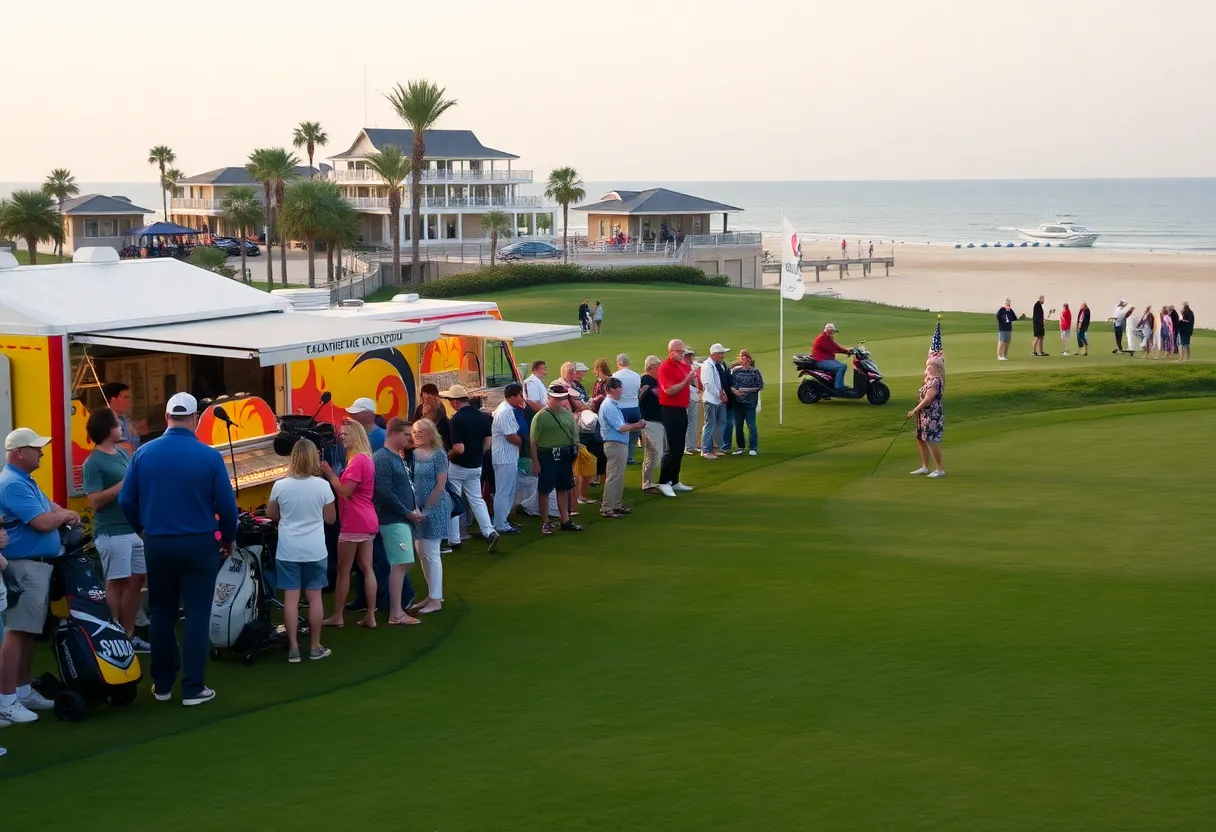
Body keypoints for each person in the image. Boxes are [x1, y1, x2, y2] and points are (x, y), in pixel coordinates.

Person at [119, 393, 237, 707]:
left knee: (161, 612)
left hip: (158, 543)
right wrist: (228, 537)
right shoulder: (209, 457)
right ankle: (193, 687)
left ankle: (162, 683)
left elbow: (126, 500)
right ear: (195, 418)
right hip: (199, 543)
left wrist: (142, 529)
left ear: (168, 416)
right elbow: (226, 505)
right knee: (197, 612)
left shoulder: (143, 454)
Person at [0, 429, 79, 723]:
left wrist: (59, 514)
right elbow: (45, 521)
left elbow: (52, 508)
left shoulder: (25, 481)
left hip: (36, 565)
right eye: (36, 448)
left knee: (28, 632)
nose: (42, 452)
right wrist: (62, 517)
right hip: (23, 566)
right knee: (17, 632)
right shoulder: (11, 483)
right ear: (19, 452)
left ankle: (21, 691)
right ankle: (7, 699)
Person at [82, 408, 149, 652]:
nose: (120, 426)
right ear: (106, 428)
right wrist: (124, 484)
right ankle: (111, 637)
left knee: (137, 580)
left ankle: (129, 635)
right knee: (117, 582)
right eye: (116, 423)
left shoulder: (120, 451)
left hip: (131, 529)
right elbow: (95, 501)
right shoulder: (93, 463)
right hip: (111, 532)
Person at [266, 439, 335, 662]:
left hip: (288, 549)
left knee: (291, 598)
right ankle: (315, 646)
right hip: (315, 548)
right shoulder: (323, 485)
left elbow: (272, 515)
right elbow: (331, 519)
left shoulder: (280, 485)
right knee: (314, 598)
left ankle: (294, 647)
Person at [319, 418, 378, 630]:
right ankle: (370, 615)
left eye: (346, 434)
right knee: (366, 567)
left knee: (344, 569)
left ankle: (338, 616)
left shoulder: (358, 461)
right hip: (367, 519)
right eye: (341, 434)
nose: (342, 437)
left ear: (357, 435)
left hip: (354, 520)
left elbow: (345, 491)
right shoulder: (365, 459)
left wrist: (330, 474)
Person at [373, 419, 422, 627]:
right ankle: (396, 613)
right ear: (393, 434)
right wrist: (407, 512)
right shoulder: (383, 459)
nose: (409, 439)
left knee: (403, 562)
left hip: (400, 518)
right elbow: (384, 492)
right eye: (406, 434)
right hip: (393, 520)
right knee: (400, 563)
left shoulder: (395, 456)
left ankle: (396, 610)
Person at [442, 384, 499, 553]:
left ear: (454, 401)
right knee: (476, 500)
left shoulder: (456, 420)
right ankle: (489, 531)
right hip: (476, 465)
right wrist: (478, 453)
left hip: (458, 466)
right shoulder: (481, 417)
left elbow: (459, 448)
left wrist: (447, 456)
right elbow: (489, 440)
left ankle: (454, 539)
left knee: (454, 500)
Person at [407, 419, 451, 615]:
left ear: (430, 433)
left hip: (435, 507)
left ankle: (436, 599)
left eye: (420, 432)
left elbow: (440, 486)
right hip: (417, 509)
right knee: (421, 551)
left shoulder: (439, 455)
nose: (415, 435)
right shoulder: (412, 454)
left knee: (432, 552)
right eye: (414, 432)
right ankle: (432, 595)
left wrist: (427, 509)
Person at [530, 381, 583, 534]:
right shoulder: (540, 417)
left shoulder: (566, 414)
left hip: (565, 456)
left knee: (564, 488)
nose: (558, 401)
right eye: (555, 398)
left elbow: (574, 434)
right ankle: (545, 522)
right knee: (545, 490)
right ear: (548, 397)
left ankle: (565, 519)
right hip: (547, 456)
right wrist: (536, 462)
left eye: (560, 398)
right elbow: (533, 441)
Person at [597, 378, 646, 518]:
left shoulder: (613, 404)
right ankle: (607, 507)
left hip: (619, 444)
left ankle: (616, 505)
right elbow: (621, 427)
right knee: (613, 476)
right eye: (619, 387)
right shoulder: (609, 406)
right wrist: (638, 425)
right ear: (611, 389)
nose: (621, 390)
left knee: (619, 476)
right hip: (615, 444)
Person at [657, 340, 698, 496]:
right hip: (670, 410)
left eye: (683, 352)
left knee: (680, 448)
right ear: (671, 351)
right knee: (673, 448)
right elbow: (669, 390)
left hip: (682, 410)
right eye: (680, 352)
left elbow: (691, 384)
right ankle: (664, 481)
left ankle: (674, 480)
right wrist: (686, 380)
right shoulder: (665, 367)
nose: (683, 355)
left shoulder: (684, 366)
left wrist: (692, 378)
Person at [491, 383, 526, 536]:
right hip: (504, 456)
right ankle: (500, 524)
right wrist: (522, 442)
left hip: (508, 456)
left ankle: (502, 520)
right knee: (504, 491)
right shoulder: (505, 412)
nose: (521, 398)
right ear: (512, 396)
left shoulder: (507, 409)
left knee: (508, 489)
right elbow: (511, 435)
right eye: (519, 395)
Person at [908, 358, 946, 478]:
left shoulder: (936, 381)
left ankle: (939, 469)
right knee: (921, 439)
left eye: (930, 366)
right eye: (927, 366)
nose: (927, 368)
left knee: (931, 440)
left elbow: (928, 398)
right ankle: (925, 467)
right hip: (923, 415)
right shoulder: (929, 380)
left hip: (932, 416)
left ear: (937, 368)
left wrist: (915, 409)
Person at [638, 355, 667, 493]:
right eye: (658, 367)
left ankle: (648, 481)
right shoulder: (646, 380)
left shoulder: (656, 380)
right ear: (651, 368)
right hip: (650, 421)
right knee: (656, 452)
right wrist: (649, 391)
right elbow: (640, 396)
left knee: (652, 453)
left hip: (657, 421)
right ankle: (649, 482)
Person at [699, 343, 731, 459]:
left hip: (719, 399)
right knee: (710, 424)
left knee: (721, 423)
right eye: (721, 353)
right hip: (711, 399)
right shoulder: (707, 366)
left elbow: (719, 382)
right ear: (715, 354)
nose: (723, 356)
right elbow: (708, 384)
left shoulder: (717, 365)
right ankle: (706, 449)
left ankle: (715, 447)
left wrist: (722, 393)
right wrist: (719, 394)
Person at [730, 350, 764, 455]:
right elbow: (731, 384)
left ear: (749, 359)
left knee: (751, 425)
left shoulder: (755, 372)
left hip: (750, 403)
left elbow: (760, 386)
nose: (743, 359)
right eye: (741, 358)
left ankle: (753, 447)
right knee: (738, 426)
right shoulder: (736, 371)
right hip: (738, 403)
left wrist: (746, 390)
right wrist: (734, 391)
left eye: (745, 358)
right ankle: (741, 447)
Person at [612, 354, 642, 464]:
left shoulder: (615, 376)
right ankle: (630, 456)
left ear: (618, 363)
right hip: (634, 407)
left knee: (621, 433)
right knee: (633, 435)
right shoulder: (636, 375)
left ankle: (622, 456)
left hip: (622, 408)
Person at [101, 381, 142, 454]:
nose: (129, 401)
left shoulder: (125, 418)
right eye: (125, 397)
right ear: (113, 399)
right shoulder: (105, 422)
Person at [811, 323, 852, 391]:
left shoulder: (826, 338)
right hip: (821, 361)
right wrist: (847, 351)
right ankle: (839, 388)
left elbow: (835, 347)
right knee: (841, 367)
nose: (833, 333)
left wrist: (847, 351)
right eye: (832, 332)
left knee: (838, 366)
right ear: (828, 331)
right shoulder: (823, 338)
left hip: (824, 359)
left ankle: (831, 387)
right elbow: (835, 348)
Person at [682, 346, 701, 455]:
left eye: (690, 356)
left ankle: (691, 446)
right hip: (687, 396)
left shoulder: (690, 367)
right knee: (687, 422)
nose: (690, 358)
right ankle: (686, 446)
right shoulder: (682, 367)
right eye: (688, 356)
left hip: (694, 395)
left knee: (693, 422)